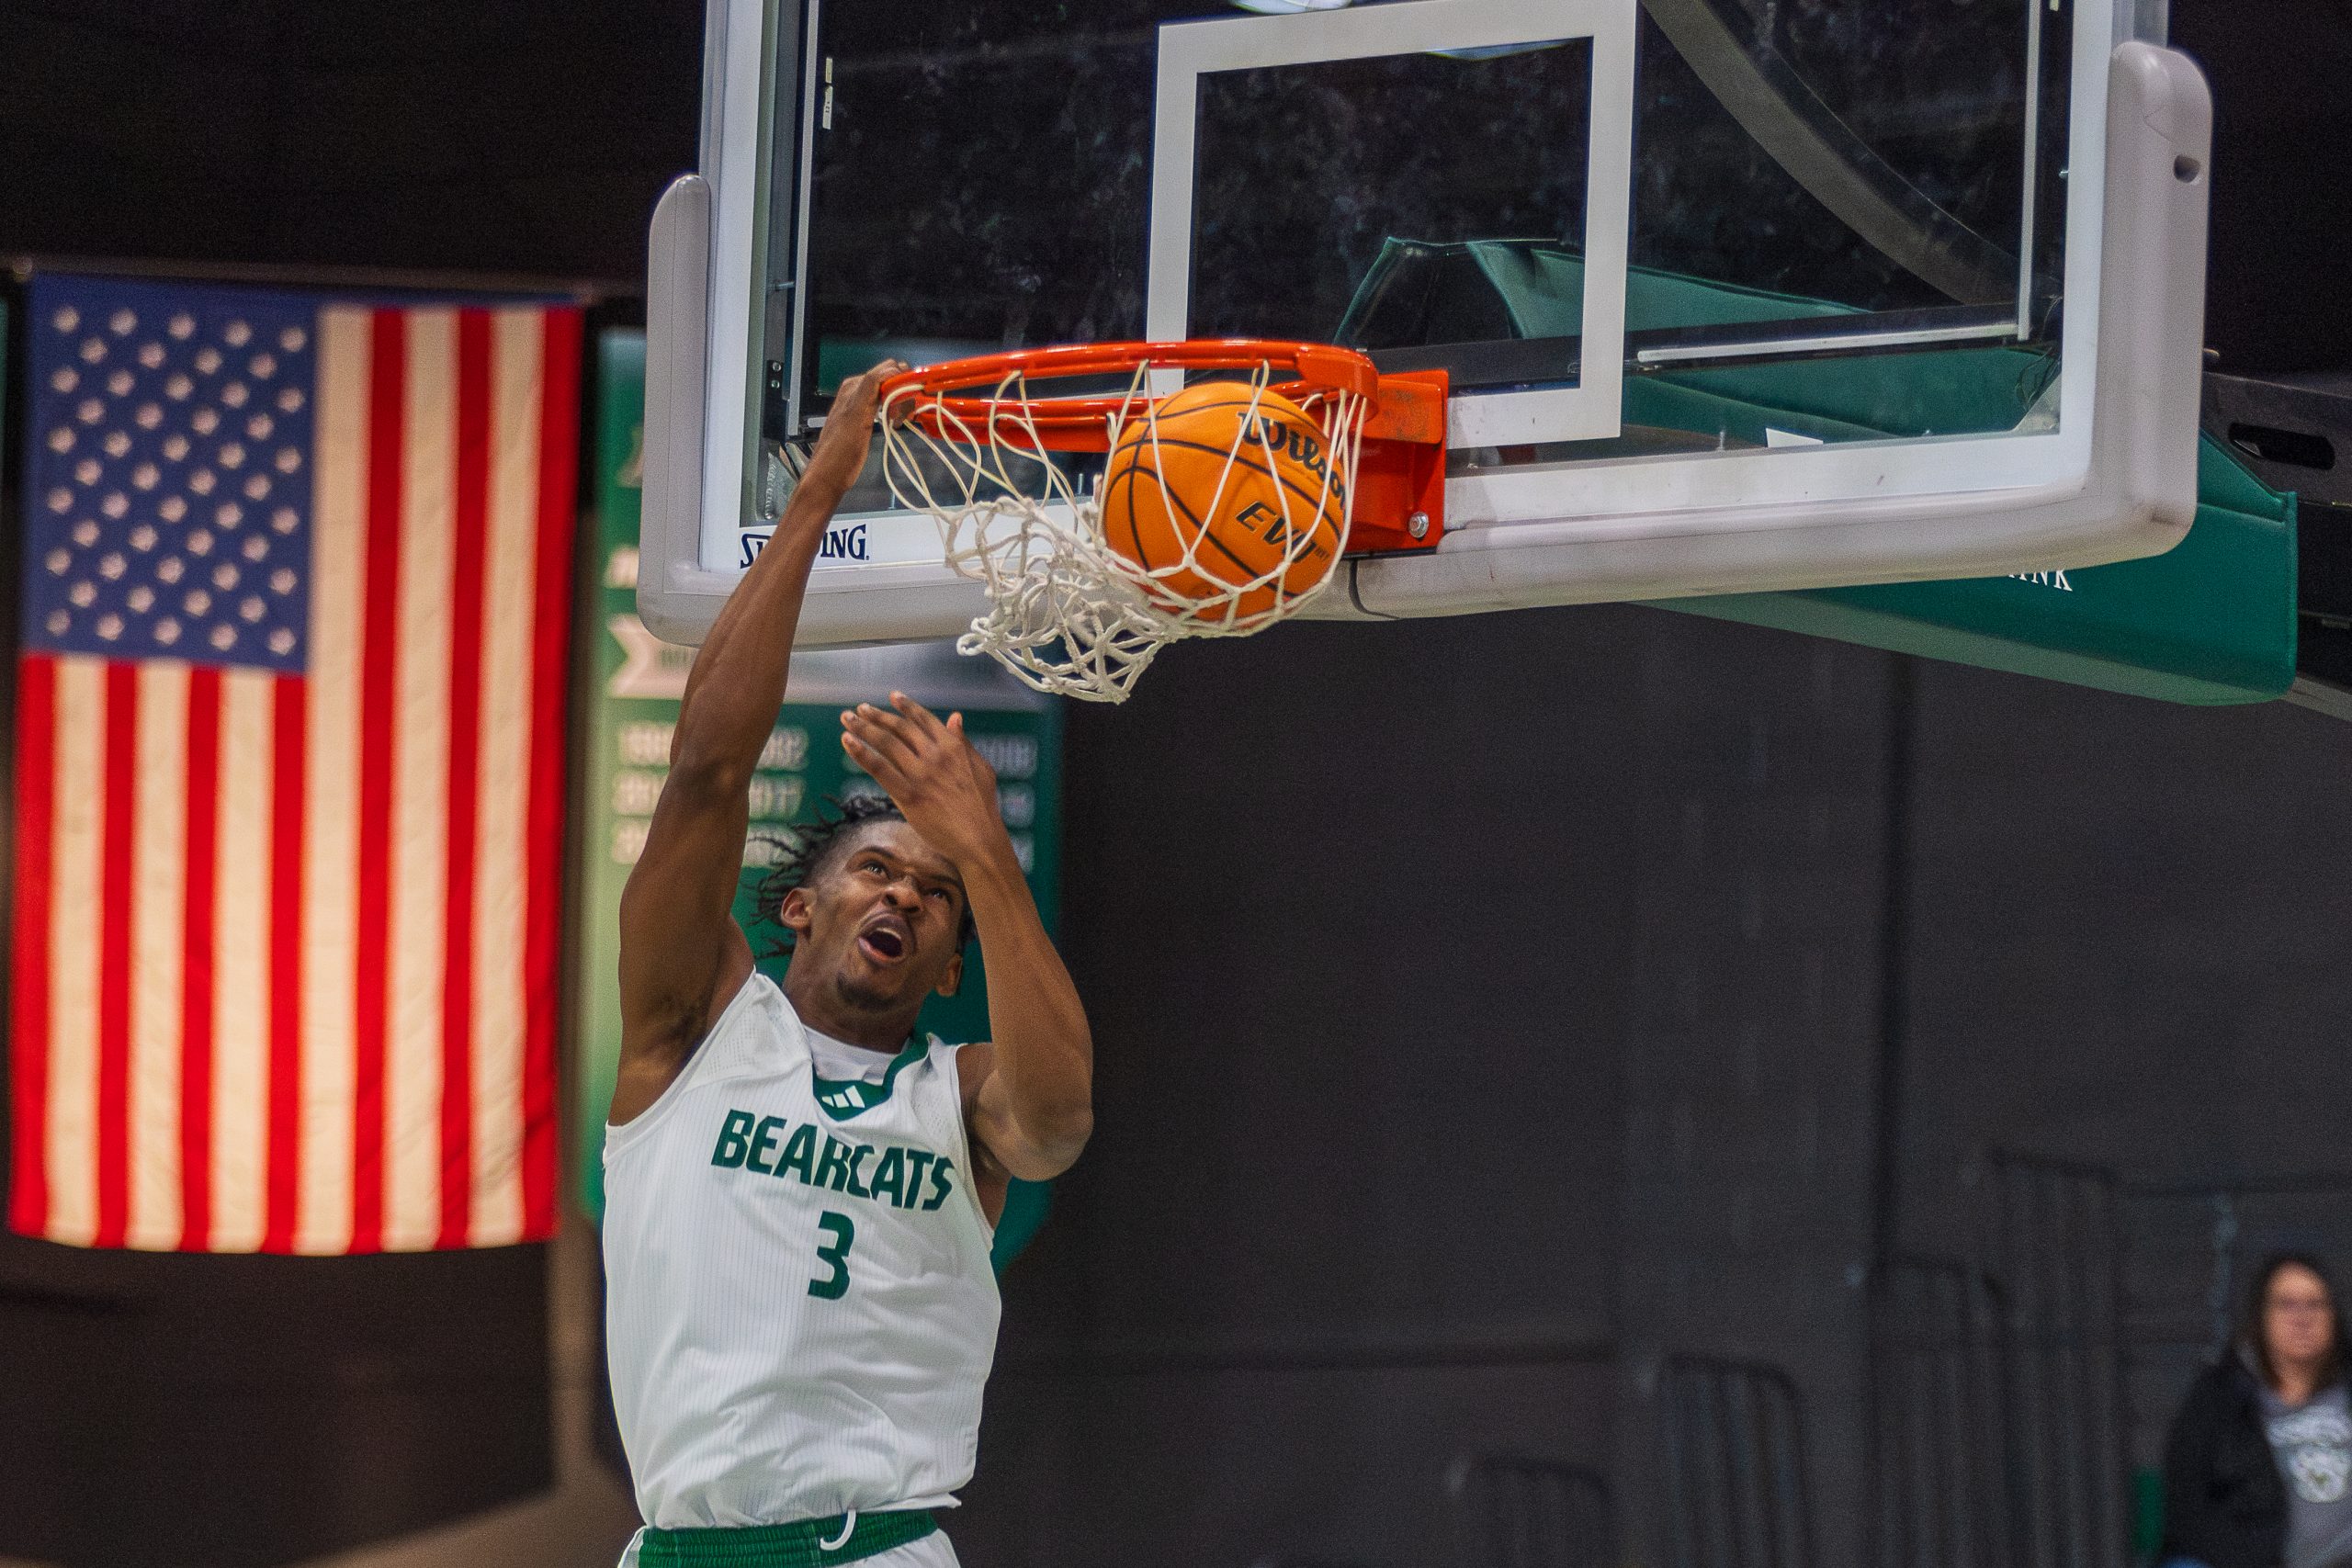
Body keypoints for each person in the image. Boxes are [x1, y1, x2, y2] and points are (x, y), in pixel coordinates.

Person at [600, 362, 1094, 1568]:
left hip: (871, 1548)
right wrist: (818, 494)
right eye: (878, 868)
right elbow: (705, 772)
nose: (907, 895)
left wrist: (987, 855)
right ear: (798, 906)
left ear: (947, 970)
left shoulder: (958, 1097)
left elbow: (1058, 1124)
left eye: (935, 893)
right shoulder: (691, 1032)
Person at [2163, 1253, 2352, 1568]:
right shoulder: (2221, 1394)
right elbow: (2189, 1504)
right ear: (2261, 1317)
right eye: (2286, 1304)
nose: (2302, 1318)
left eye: (2315, 1304)